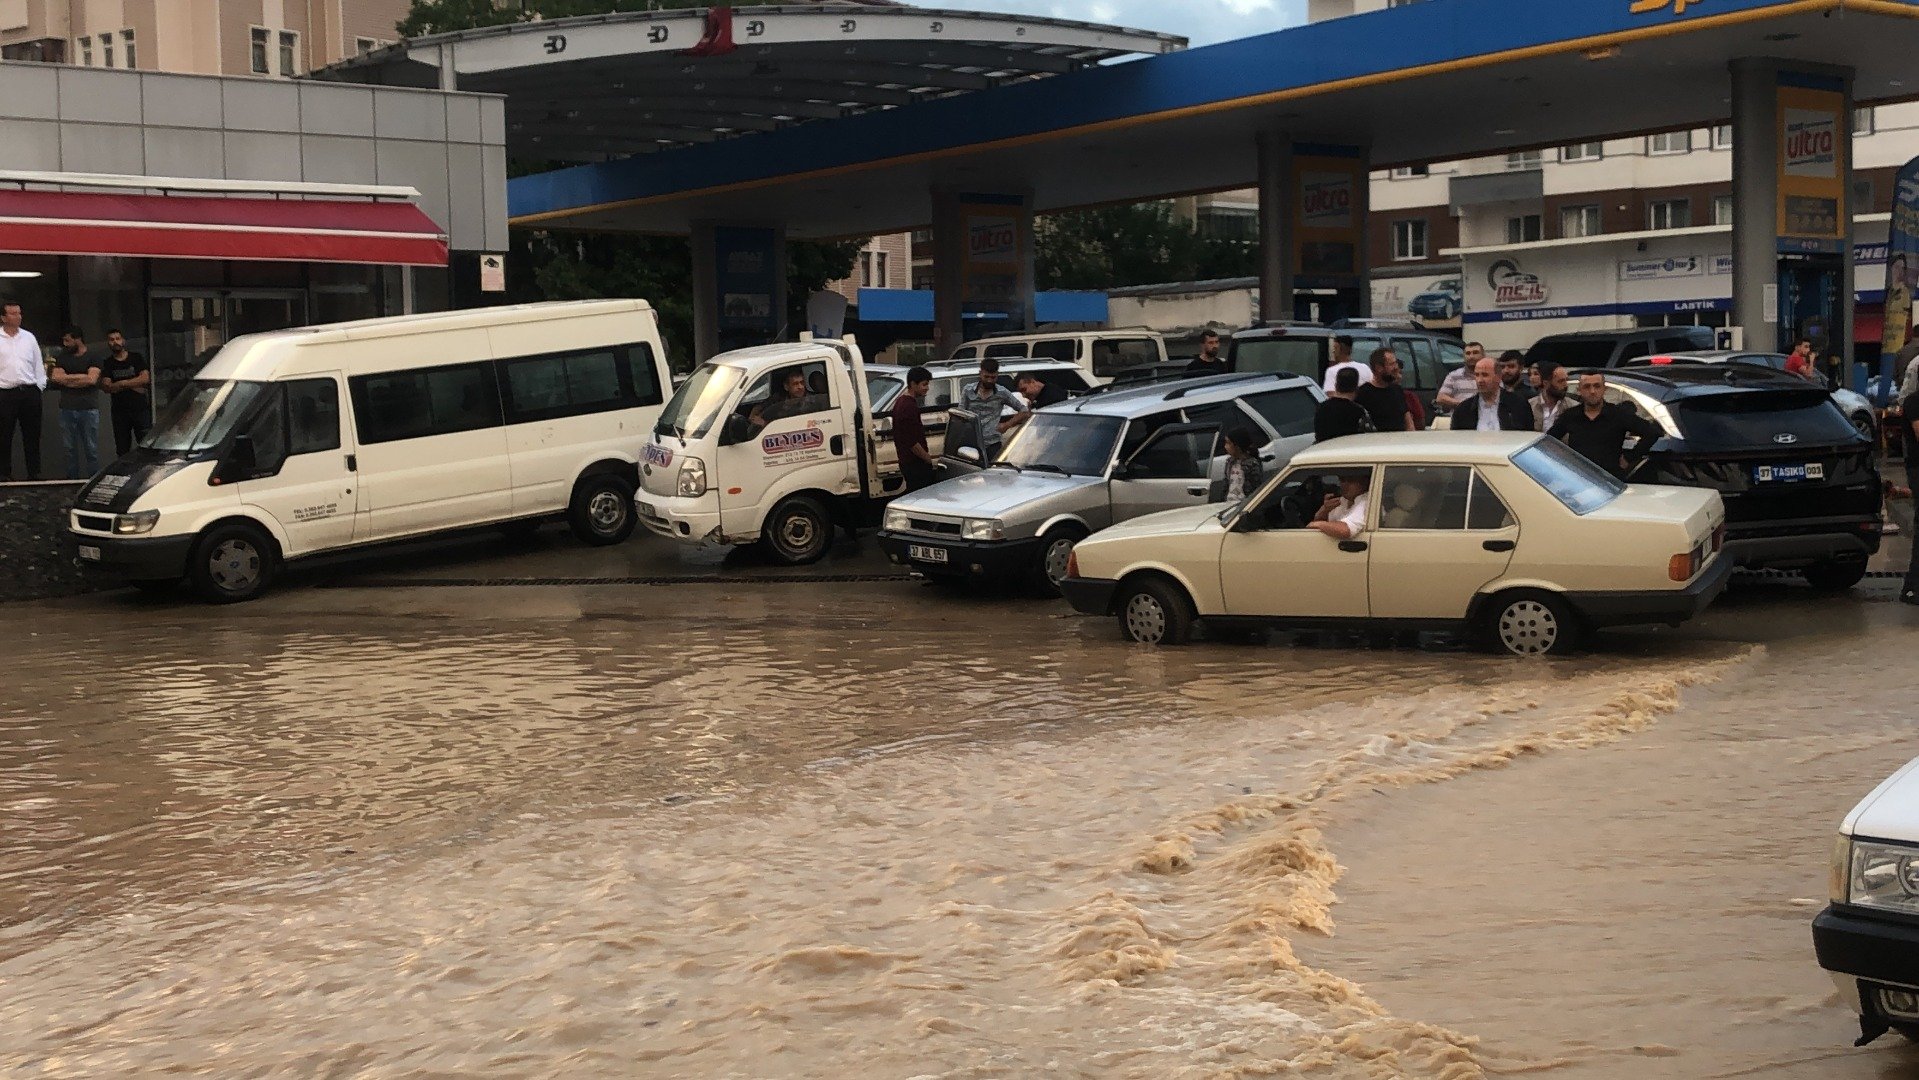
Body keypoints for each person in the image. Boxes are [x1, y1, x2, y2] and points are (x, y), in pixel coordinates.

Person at [1548, 370, 1665, 479]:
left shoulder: (1618, 415)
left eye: (1597, 386)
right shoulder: (1570, 415)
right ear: (1579, 390)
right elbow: (1549, 440)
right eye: (1587, 387)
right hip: (1579, 479)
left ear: (1604, 389)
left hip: (1611, 479)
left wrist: (1629, 458)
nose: (1592, 391)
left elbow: (1652, 433)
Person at [0, 300, 45, 481]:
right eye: (13, 313)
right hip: (5, 392)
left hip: (29, 391)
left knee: (32, 434)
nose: (18, 316)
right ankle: (4, 473)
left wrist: (39, 386)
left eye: (19, 313)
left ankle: (34, 473)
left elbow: (38, 363)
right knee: (4, 435)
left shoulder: (29, 337)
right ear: (3, 317)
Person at [48, 327, 101, 480]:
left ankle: (92, 479)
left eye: (68, 340)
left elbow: (91, 379)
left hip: (88, 408)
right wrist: (81, 378)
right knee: (69, 449)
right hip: (67, 408)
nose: (65, 344)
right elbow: (56, 378)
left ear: (78, 339)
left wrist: (68, 379)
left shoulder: (93, 356)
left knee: (91, 449)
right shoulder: (63, 357)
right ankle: (72, 479)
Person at [957, 357, 1028, 463]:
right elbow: (960, 414)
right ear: (980, 373)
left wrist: (1007, 425)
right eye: (986, 376)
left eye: (993, 377)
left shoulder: (1002, 392)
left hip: (993, 443)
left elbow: (1024, 411)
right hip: (971, 442)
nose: (989, 380)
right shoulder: (968, 390)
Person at [98, 329, 151, 455]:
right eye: (111, 340)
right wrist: (134, 384)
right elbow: (106, 387)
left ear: (123, 341)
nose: (115, 342)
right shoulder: (108, 363)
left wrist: (121, 384)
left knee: (146, 445)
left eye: (117, 338)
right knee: (122, 449)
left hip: (140, 409)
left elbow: (145, 378)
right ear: (108, 343)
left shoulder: (136, 358)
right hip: (120, 412)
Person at [1449, 357, 1532, 432]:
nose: (1480, 380)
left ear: (1498, 377)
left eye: (1485, 375)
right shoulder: (1463, 410)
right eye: (1477, 375)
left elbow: (1528, 435)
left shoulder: (1518, 404)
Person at [892, 365, 936, 492]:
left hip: (907, 461)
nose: (927, 388)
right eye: (924, 384)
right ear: (913, 384)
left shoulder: (900, 402)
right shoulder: (908, 406)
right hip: (915, 463)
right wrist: (927, 458)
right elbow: (911, 440)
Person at [1353, 347, 1415, 432]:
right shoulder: (1363, 394)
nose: (1396, 367)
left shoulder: (1397, 390)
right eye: (1392, 364)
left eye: (1396, 363)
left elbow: (1408, 421)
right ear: (1379, 368)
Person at [1314, 366, 1374, 442]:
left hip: (1324, 452)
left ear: (1336, 386)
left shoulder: (1321, 408)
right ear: (1356, 387)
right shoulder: (1358, 411)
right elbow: (1370, 437)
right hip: (1349, 451)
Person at [1308, 470, 1372, 541]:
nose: (1344, 485)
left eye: (1350, 481)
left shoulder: (1368, 501)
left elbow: (1346, 530)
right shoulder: (1343, 500)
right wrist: (1325, 510)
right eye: (1342, 480)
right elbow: (1322, 523)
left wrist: (1318, 524)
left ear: (1364, 483)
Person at [750, 367, 822, 430]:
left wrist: (765, 424)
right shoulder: (779, 398)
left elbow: (793, 427)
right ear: (786, 387)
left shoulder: (814, 401)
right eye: (795, 384)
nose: (800, 387)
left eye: (802, 383)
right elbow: (760, 407)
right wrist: (753, 416)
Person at [1434, 341, 1484, 412]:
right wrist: (1463, 404)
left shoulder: (1491, 375)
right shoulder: (1454, 376)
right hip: (1461, 418)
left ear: (1483, 355)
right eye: (1468, 353)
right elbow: (1440, 398)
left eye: (1475, 352)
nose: (1471, 356)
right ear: (1464, 356)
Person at [1530, 361, 1574, 432]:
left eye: (1566, 380)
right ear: (1546, 383)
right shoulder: (1530, 406)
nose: (1565, 385)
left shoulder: (1572, 407)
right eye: (1560, 381)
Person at [1222, 427, 1263, 504]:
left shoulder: (1252, 464)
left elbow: (1256, 487)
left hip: (1244, 504)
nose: (1225, 446)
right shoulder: (1229, 462)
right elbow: (1226, 483)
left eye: (1228, 443)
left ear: (1237, 446)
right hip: (1229, 503)